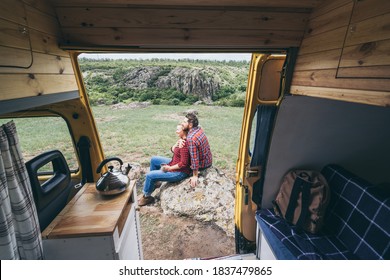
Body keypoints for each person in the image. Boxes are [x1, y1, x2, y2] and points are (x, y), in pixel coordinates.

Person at [138, 125, 191, 206]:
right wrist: (174, 145)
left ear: (183, 131)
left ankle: (146, 197)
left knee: (150, 176)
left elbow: (183, 164)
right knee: (154, 159)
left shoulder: (184, 144)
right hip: (174, 162)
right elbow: (175, 151)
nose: (176, 131)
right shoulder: (181, 140)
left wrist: (169, 168)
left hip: (179, 172)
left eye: (178, 130)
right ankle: (155, 183)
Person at [181, 112, 212, 188]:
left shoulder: (191, 139)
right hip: (208, 160)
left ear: (190, 125)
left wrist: (195, 175)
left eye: (184, 122)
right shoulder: (198, 129)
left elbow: (194, 158)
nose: (182, 123)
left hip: (202, 165)